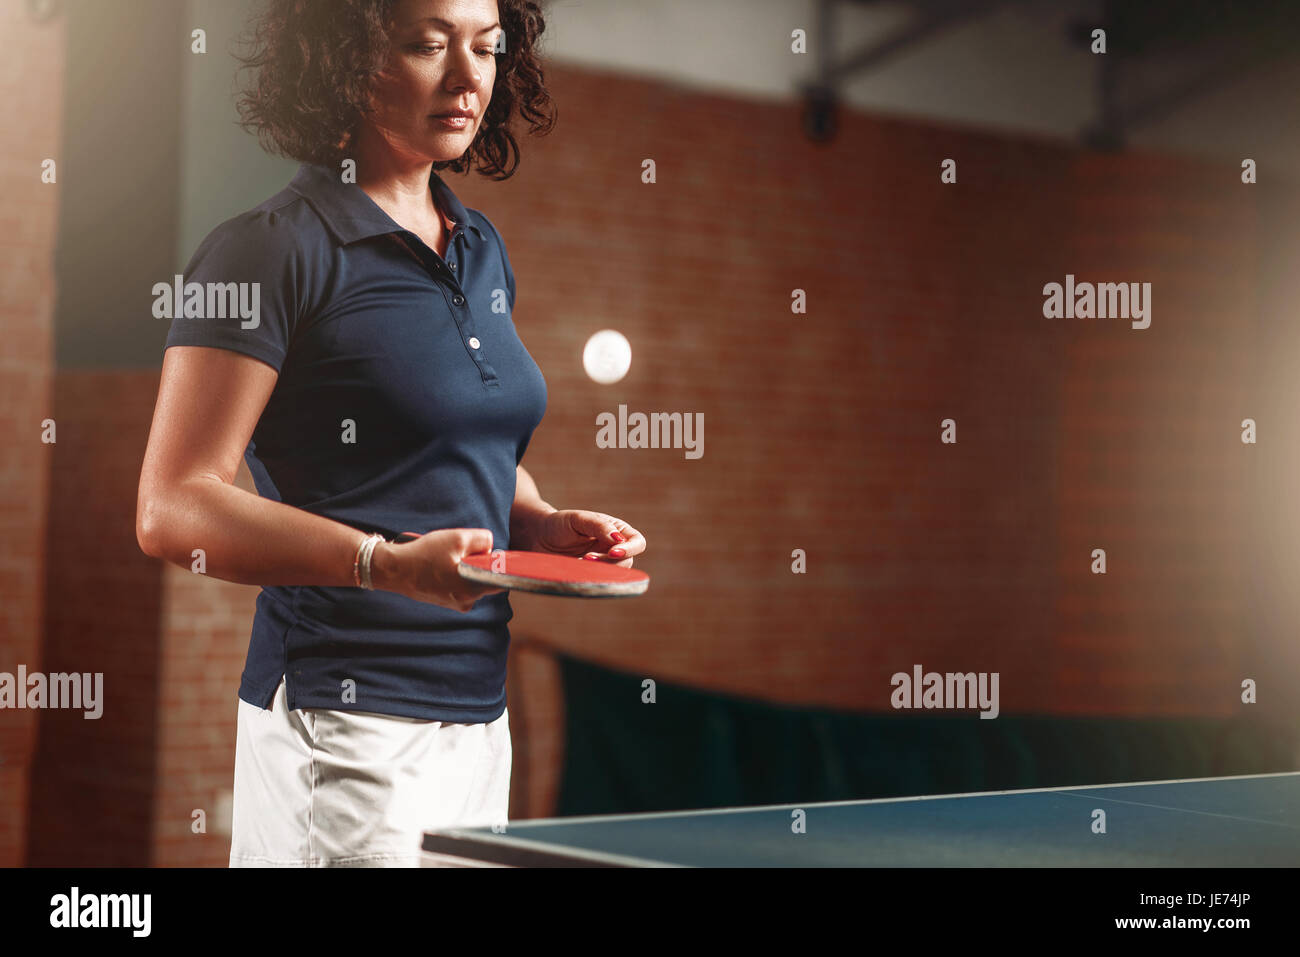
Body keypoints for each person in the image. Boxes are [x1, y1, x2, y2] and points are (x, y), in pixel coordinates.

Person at [135, 0, 645, 867]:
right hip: (344, 719)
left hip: (480, 718)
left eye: (486, 47)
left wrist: (540, 519)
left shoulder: (480, 247)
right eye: (424, 44)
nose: (467, 76)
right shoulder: (265, 251)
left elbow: (456, 451)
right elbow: (172, 507)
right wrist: (385, 562)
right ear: (342, 59)